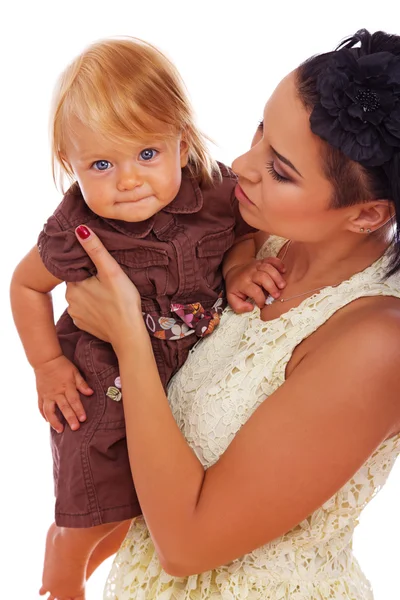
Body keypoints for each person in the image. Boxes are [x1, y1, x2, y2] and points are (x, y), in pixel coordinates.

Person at [46, 28, 400, 600]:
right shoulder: (252, 238)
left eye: (280, 169)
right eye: (261, 130)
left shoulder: (377, 342)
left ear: (367, 214)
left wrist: (129, 336)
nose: (240, 163)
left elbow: (186, 546)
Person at [10, 37, 287, 600]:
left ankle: (83, 560)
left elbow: (247, 231)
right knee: (96, 502)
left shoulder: (212, 192)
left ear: (181, 141)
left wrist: (238, 269)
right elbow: (24, 284)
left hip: (185, 372)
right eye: (102, 164)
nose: (129, 180)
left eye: (147, 155)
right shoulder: (76, 227)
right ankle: (61, 573)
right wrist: (46, 366)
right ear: (70, 163)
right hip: (101, 382)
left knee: (143, 510)